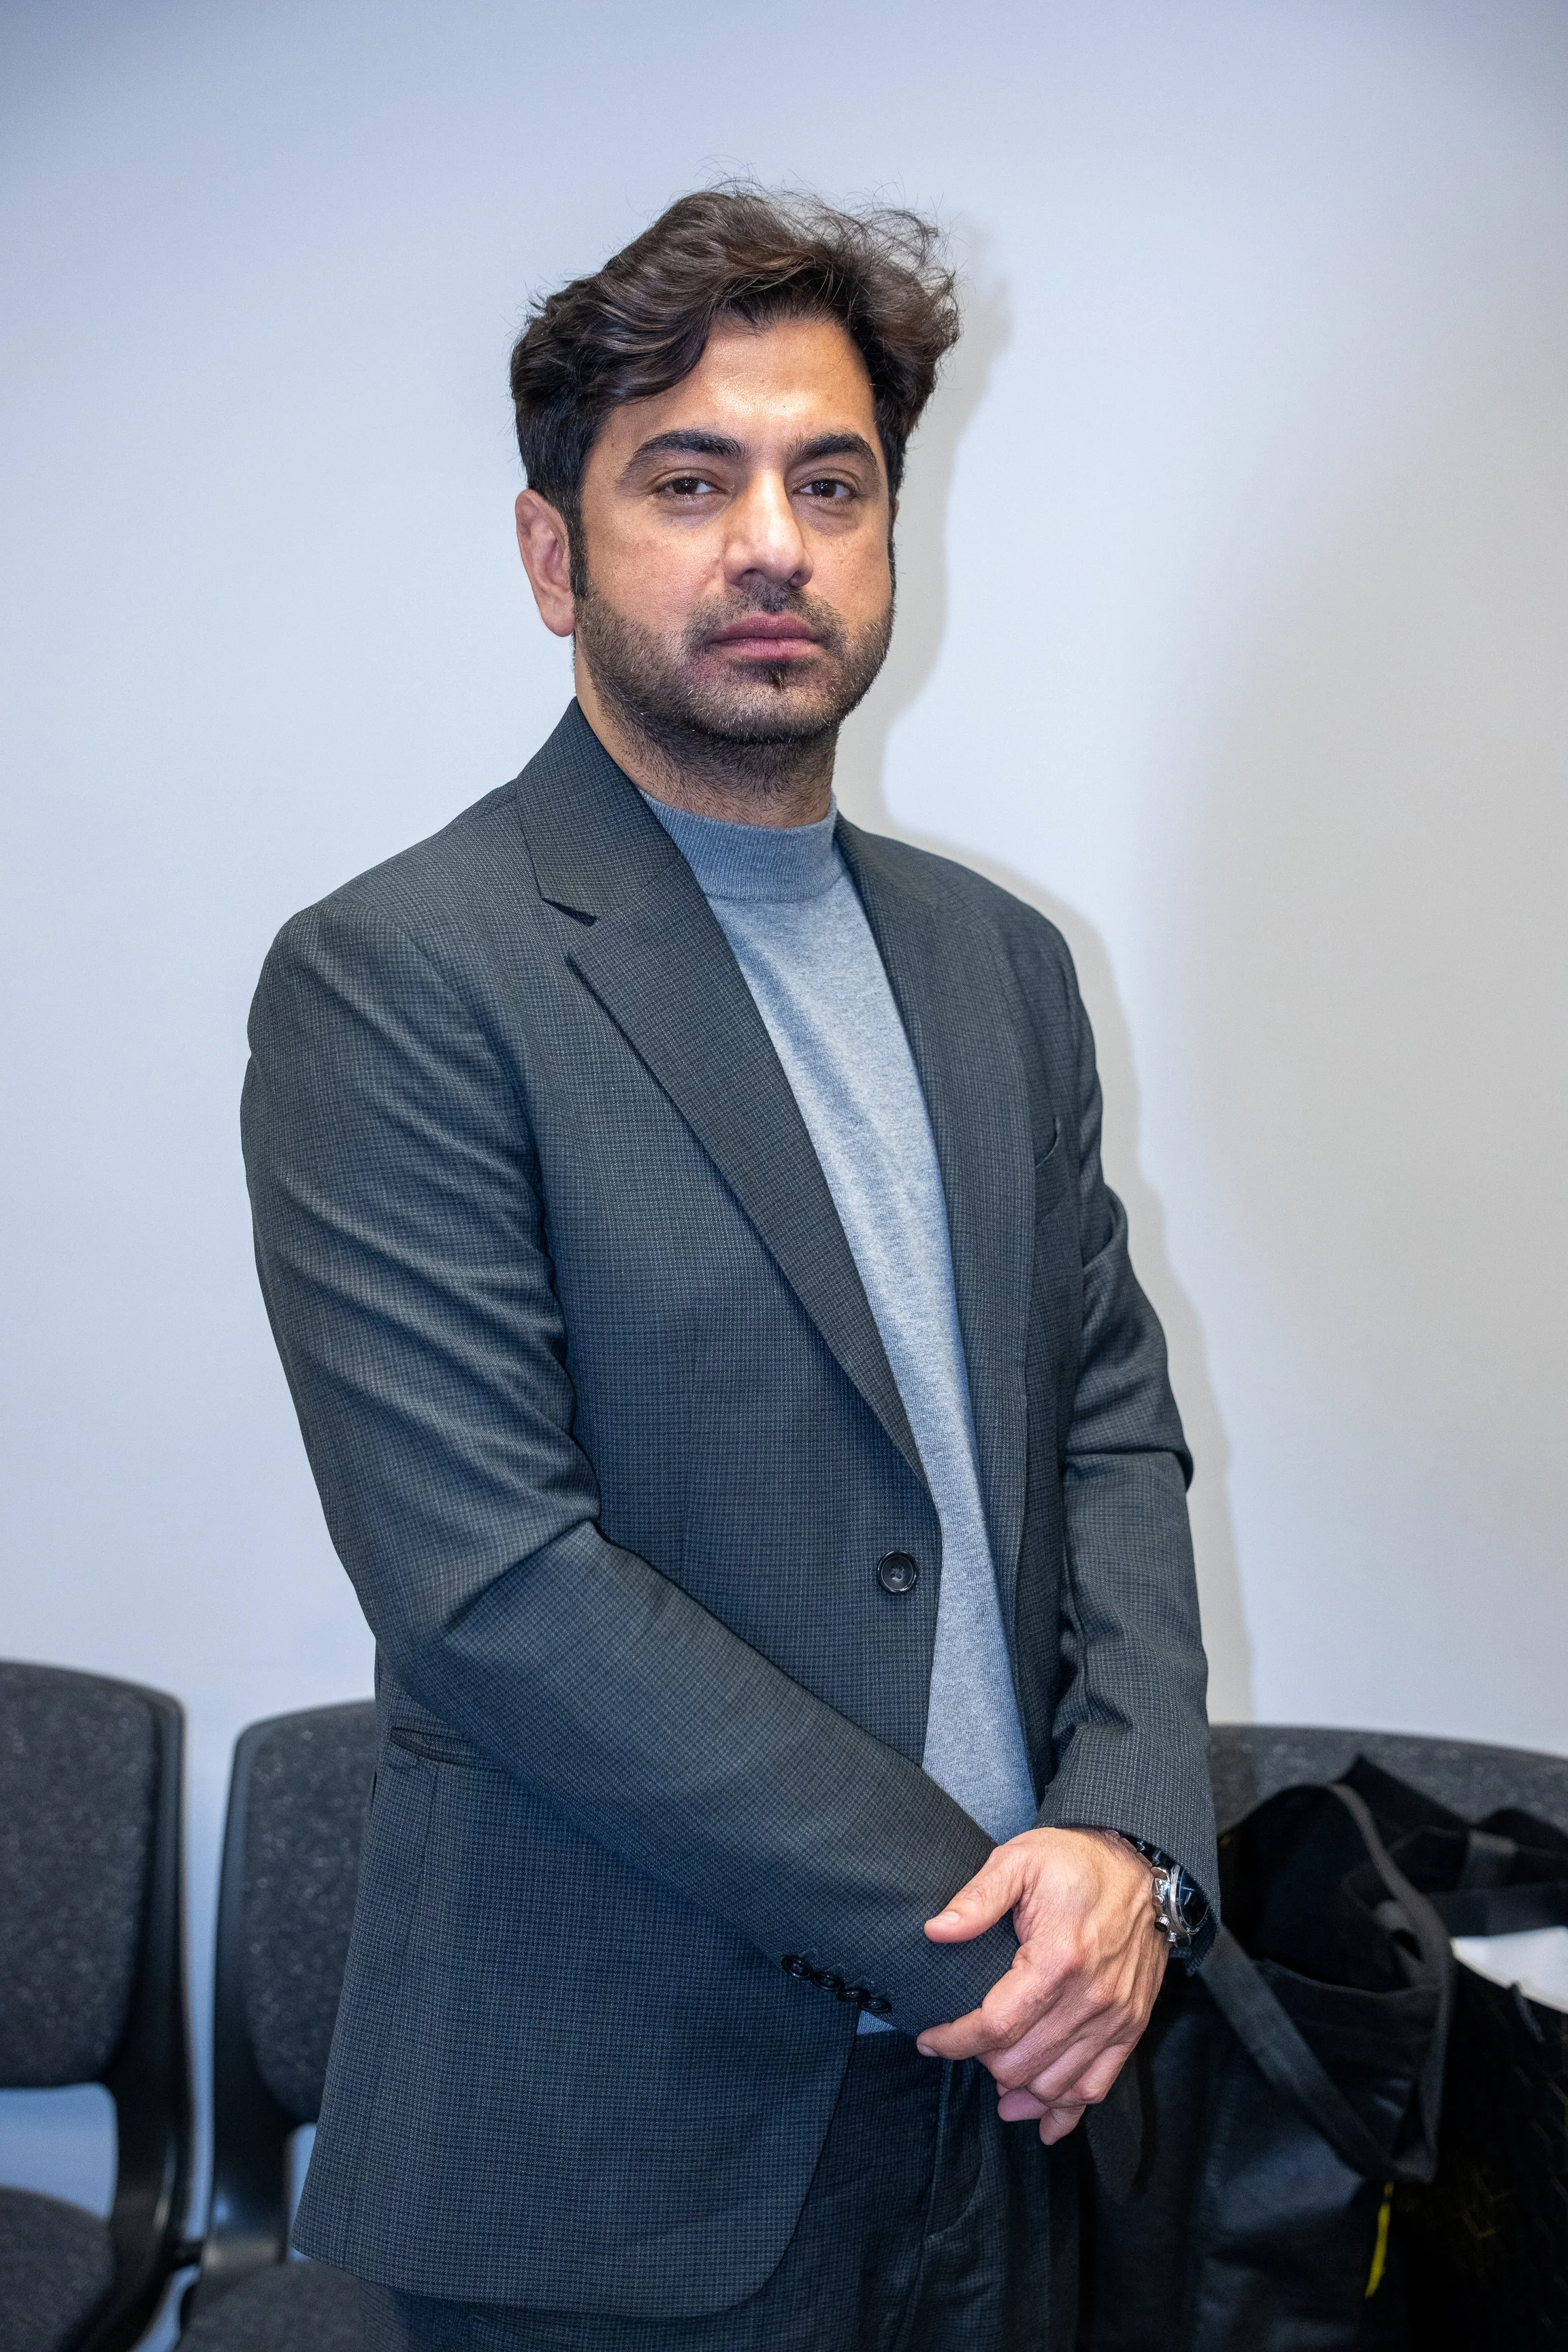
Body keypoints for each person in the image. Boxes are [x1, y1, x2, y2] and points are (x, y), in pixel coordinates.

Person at [242, 186, 1218, 2352]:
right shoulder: (402, 978)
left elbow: (1108, 1415)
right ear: (551, 555)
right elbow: (495, 1584)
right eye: (689, 480)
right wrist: (987, 1937)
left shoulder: (1002, 969)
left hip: (1008, 2135)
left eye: (831, 482)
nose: (771, 539)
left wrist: (1132, 1842)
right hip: (612, 2156)